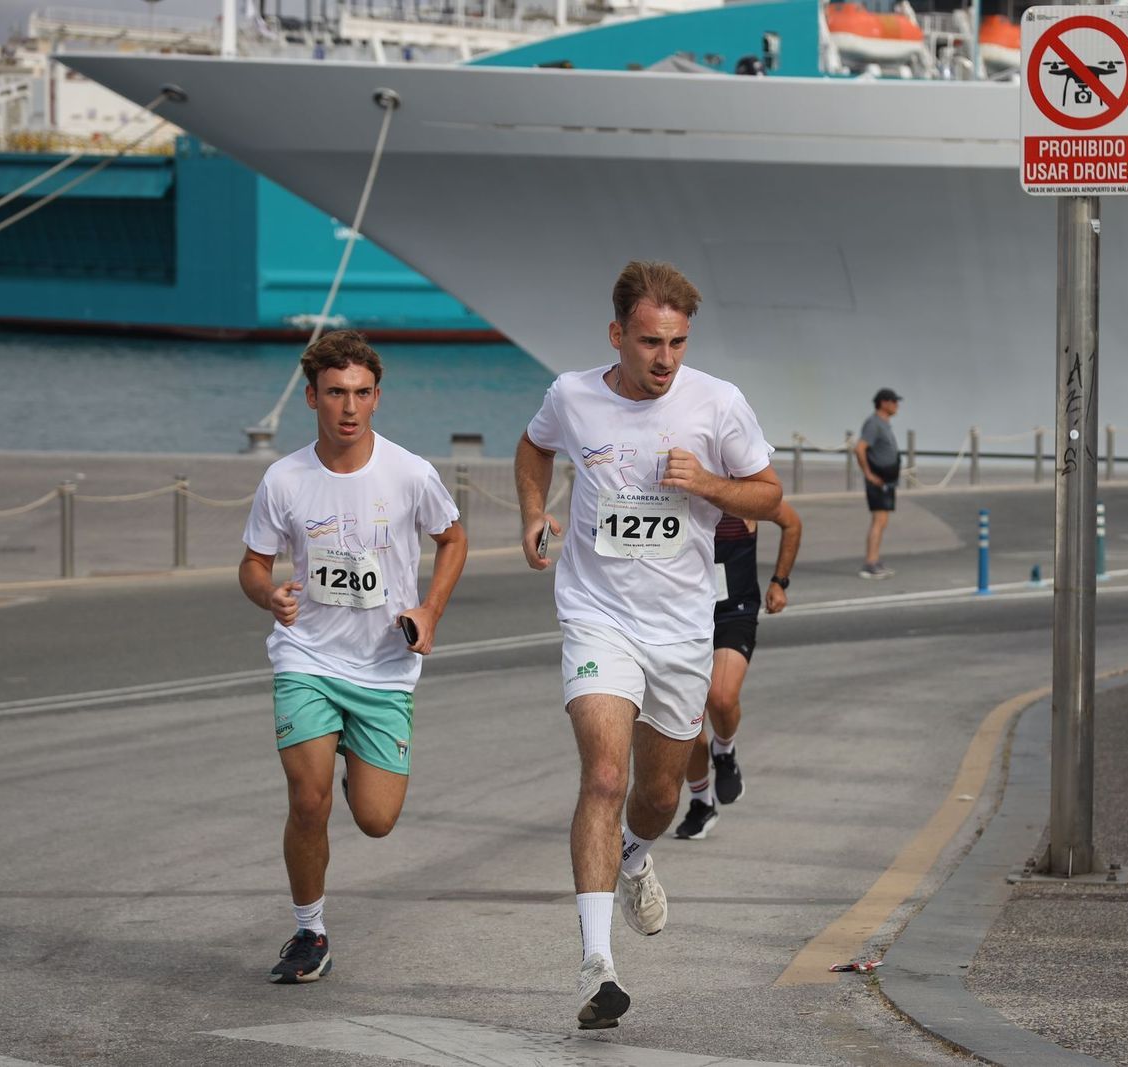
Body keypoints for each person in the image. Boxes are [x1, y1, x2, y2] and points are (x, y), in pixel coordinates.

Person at [514, 261, 782, 1029]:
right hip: (598, 615)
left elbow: (770, 495)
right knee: (602, 773)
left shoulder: (717, 403)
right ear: (617, 335)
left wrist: (710, 485)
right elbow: (533, 449)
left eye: (677, 342)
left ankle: (635, 851)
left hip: (681, 627)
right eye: (649, 342)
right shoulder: (572, 396)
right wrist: (534, 513)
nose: (665, 359)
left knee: (659, 795)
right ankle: (597, 963)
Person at [238, 330, 468, 984]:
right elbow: (253, 564)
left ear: (377, 397)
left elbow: (453, 540)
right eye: (336, 392)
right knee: (308, 800)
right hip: (306, 657)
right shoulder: (284, 478)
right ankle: (309, 931)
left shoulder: (410, 474)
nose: (349, 407)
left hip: (384, 669)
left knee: (376, 818)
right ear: (311, 396)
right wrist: (267, 594)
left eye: (362, 393)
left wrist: (429, 612)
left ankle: (353, 757)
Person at [673, 502, 803, 840]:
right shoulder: (678, 495)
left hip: (735, 611)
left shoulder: (741, 496)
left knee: (720, 696)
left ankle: (725, 750)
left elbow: (792, 524)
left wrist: (779, 582)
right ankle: (702, 802)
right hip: (682, 616)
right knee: (687, 718)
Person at [854, 387, 901, 579]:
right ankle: (870, 563)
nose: (897, 406)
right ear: (884, 402)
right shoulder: (873, 423)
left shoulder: (885, 423)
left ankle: (875, 559)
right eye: (894, 401)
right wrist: (869, 474)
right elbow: (859, 448)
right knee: (878, 520)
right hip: (878, 480)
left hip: (887, 481)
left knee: (883, 521)